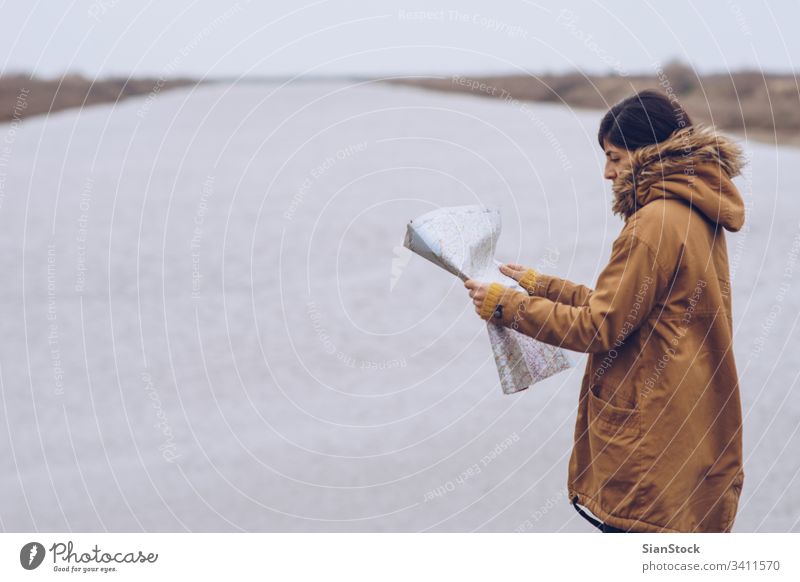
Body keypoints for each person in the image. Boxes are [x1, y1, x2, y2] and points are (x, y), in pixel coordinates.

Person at [465, 89, 747, 533]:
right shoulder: (694, 210)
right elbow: (631, 310)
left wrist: (507, 305)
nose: (607, 172)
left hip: (651, 448)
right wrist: (542, 287)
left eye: (615, 157)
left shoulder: (653, 223)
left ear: (647, 152)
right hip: (689, 425)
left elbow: (599, 328)